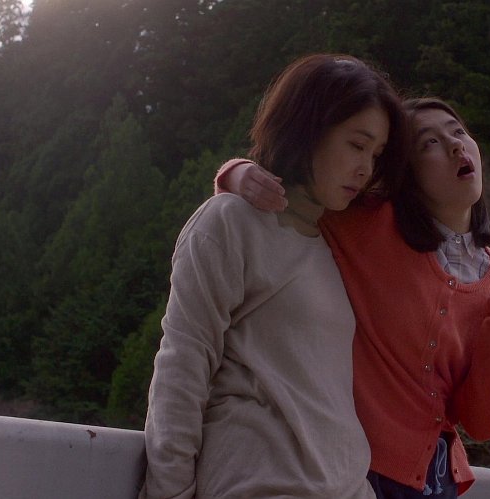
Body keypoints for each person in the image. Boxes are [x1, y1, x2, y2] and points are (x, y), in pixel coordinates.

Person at [214, 97, 490, 498]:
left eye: (458, 132)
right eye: (430, 143)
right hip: (354, 472)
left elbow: (482, 422)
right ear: (406, 171)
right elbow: (285, 193)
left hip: (437, 481)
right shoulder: (370, 224)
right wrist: (237, 174)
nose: (456, 146)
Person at [140, 53, 408, 499]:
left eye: (376, 155)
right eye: (356, 145)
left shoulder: (336, 243)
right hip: (257, 484)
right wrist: (169, 492)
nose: (366, 168)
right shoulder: (230, 222)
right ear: (308, 130)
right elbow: (182, 365)